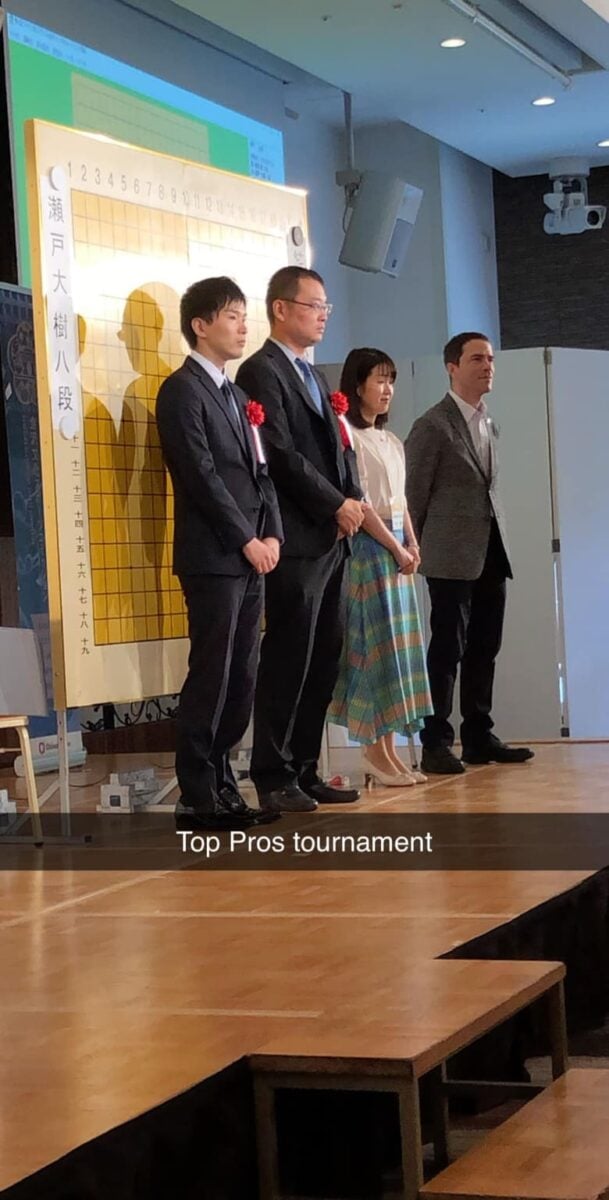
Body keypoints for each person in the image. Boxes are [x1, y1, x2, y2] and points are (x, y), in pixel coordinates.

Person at [156, 276, 283, 830]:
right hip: (213, 556)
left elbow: (260, 473)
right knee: (212, 671)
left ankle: (227, 784)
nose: (242, 325)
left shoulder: (236, 396)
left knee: (244, 673)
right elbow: (199, 476)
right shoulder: (181, 390)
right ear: (200, 325)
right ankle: (198, 795)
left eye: (243, 315)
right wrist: (245, 539)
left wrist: (273, 532)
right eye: (231, 315)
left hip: (252, 554)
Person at [236, 266, 365, 812]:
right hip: (295, 537)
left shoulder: (313, 375)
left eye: (326, 308)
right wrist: (335, 504)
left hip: (332, 538)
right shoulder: (261, 371)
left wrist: (353, 499)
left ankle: (306, 767)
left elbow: (340, 447)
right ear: (281, 309)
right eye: (314, 306)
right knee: (290, 653)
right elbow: (282, 457)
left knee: (324, 657)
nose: (322, 316)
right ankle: (272, 772)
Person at [404, 331, 534, 774]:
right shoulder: (432, 425)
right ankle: (436, 741)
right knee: (447, 649)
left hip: (491, 549)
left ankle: (479, 735)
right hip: (448, 556)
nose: (488, 366)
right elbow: (413, 495)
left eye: (491, 359)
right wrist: (412, 547)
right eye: (477, 358)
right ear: (452, 367)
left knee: (485, 646)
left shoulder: (488, 421)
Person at [328, 348, 432, 787]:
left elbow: (400, 501)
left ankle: (389, 748)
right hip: (369, 551)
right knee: (373, 647)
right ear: (357, 386)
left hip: (396, 552)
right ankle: (372, 749)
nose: (387, 389)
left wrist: (412, 542)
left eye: (391, 380)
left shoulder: (392, 441)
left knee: (398, 649)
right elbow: (364, 505)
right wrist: (394, 546)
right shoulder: (347, 436)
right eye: (379, 380)